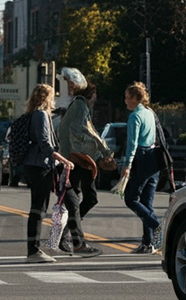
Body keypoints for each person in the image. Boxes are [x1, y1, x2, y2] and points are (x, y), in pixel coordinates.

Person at [55, 67, 111, 257]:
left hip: (77, 159)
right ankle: (74, 241)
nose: (96, 98)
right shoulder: (80, 105)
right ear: (91, 94)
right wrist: (104, 149)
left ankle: (64, 237)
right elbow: (85, 130)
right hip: (79, 160)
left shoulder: (77, 106)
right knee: (78, 201)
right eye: (94, 94)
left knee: (77, 201)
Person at [21, 84, 76, 263]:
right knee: (39, 208)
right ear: (47, 98)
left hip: (33, 165)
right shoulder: (41, 115)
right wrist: (64, 160)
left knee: (39, 207)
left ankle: (37, 248)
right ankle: (34, 250)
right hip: (39, 166)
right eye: (53, 96)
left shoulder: (34, 114)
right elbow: (45, 145)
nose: (54, 100)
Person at [121, 82, 162, 254]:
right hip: (154, 159)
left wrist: (127, 165)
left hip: (141, 157)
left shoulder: (135, 116)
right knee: (147, 201)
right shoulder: (150, 113)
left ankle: (156, 224)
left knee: (131, 199)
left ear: (136, 98)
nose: (125, 101)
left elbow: (132, 143)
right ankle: (148, 243)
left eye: (128, 98)